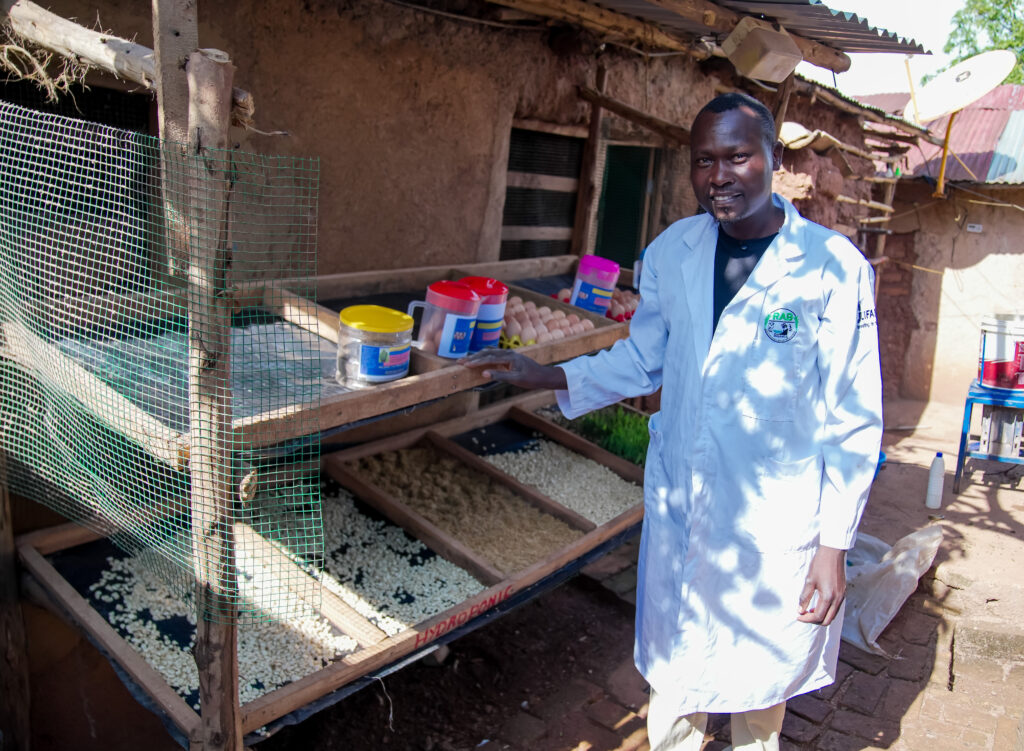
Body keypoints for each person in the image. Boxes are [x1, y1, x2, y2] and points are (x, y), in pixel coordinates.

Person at [462, 92, 883, 751]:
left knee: (759, 694)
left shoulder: (832, 270)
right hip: (686, 503)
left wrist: (834, 545)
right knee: (678, 685)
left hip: (776, 518)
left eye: (738, 156)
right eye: (704, 160)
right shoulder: (671, 253)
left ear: (773, 157)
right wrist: (553, 376)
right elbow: (644, 357)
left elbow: (854, 417)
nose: (719, 175)